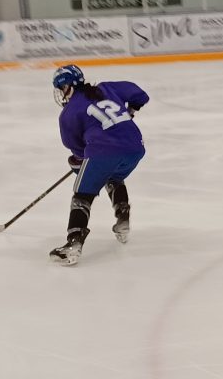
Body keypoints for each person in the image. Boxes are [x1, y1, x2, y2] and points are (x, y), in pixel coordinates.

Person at [50, 65, 149, 265]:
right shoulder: (105, 88)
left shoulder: (68, 113)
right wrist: (130, 111)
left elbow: (77, 149)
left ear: (68, 87)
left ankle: (73, 244)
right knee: (113, 177)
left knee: (82, 195)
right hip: (135, 148)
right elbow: (140, 95)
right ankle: (123, 218)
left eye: (61, 88)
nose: (60, 93)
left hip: (104, 152)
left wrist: (78, 162)